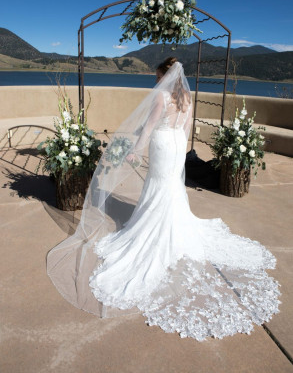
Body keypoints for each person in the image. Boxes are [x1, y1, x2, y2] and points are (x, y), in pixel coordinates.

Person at [47, 57, 280, 341]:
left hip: (160, 143)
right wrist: (179, 150)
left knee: (158, 187)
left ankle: (154, 227)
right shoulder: (186, 97)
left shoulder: (160, 95)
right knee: (170, 187)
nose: (156, 80)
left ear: (164, 75)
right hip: (177, 145)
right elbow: (186, 128)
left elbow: (149, 126)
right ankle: (172, 224)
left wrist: (136, 150)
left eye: (158, 76)